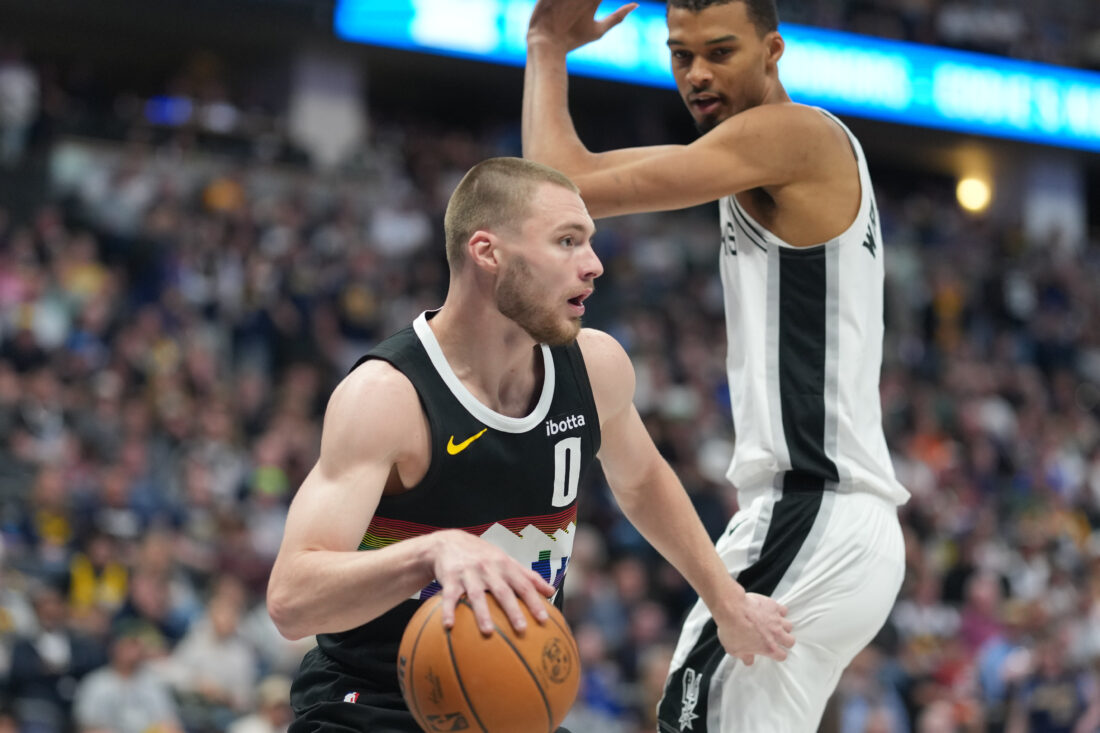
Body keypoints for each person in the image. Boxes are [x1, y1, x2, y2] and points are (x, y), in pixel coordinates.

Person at [266, 157, 795, 731]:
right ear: (487, 252)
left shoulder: (595, 365)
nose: (593, 264)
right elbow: (292, 601)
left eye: (589, 241)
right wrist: (430, 554)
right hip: (372, 705)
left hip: (510, 706)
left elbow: (642, 481)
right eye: (567, 241)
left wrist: (726, 601)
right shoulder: (388, 396)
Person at [522, 1, 911, 730]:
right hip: (823, 517)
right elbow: (557, 182)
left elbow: (552, 191)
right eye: (682, 55)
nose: (697, 73)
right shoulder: (753, 151)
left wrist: (546, 47)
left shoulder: (788, 135)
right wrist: (546, 48)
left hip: (814, 508)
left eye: (720, 52)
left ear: (773, 51)